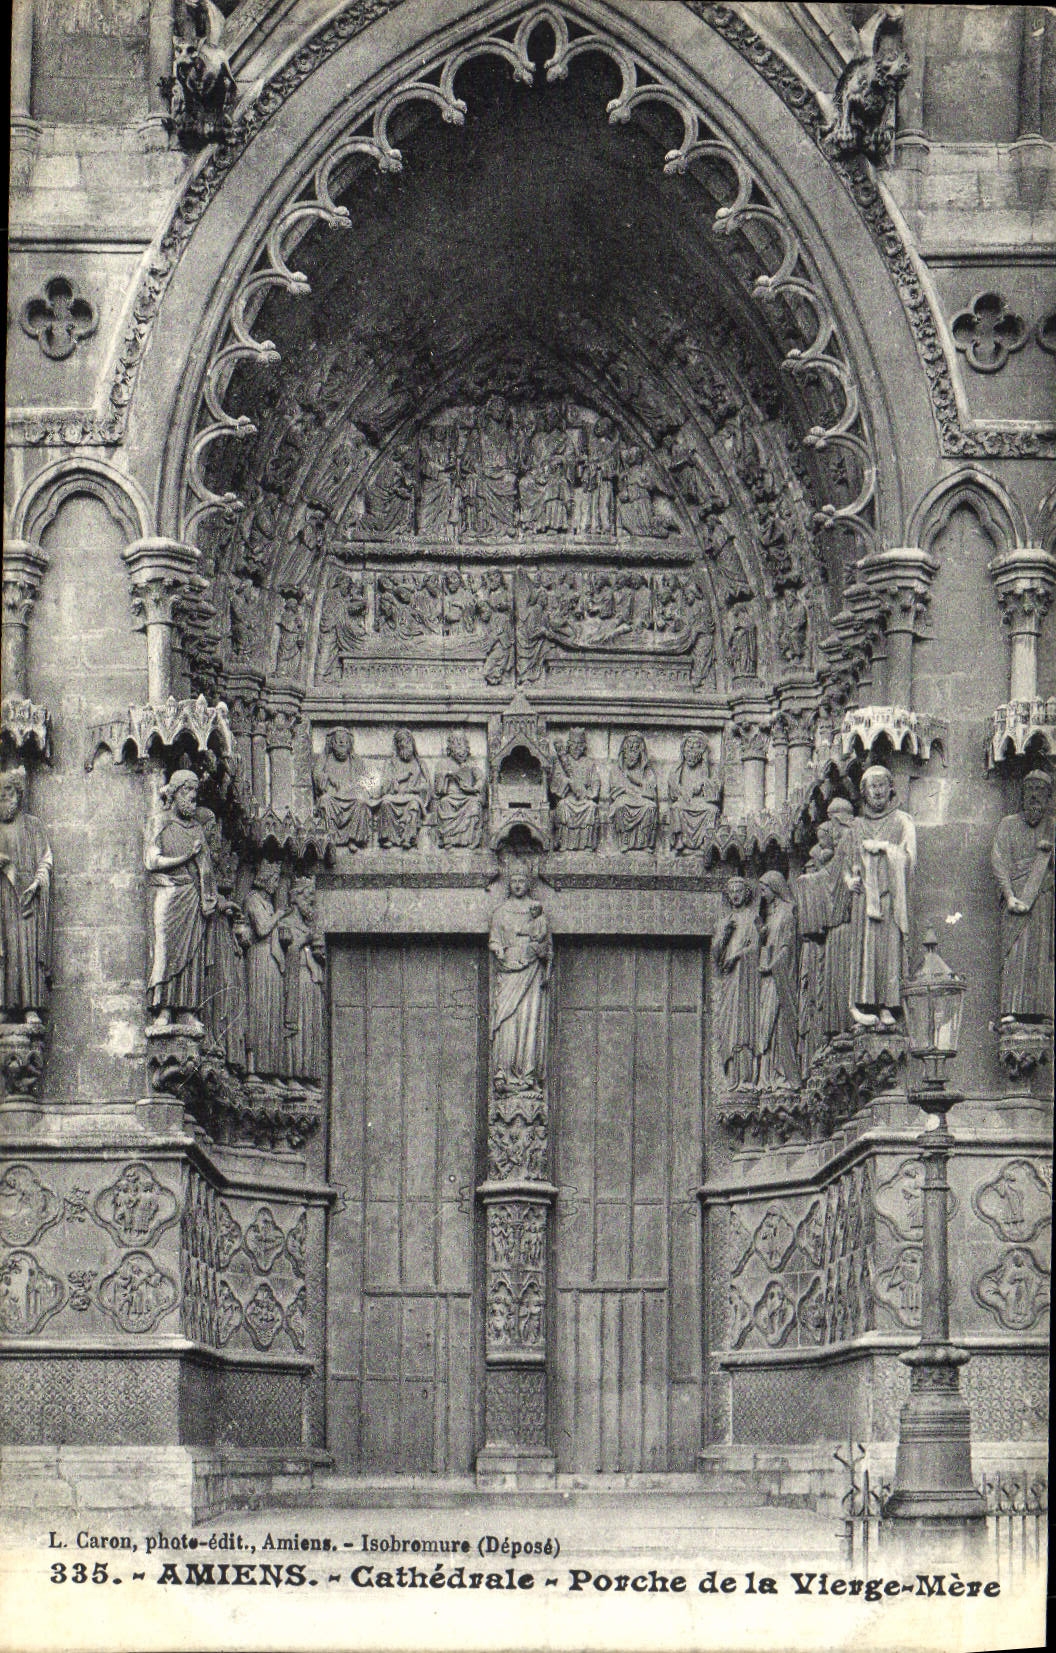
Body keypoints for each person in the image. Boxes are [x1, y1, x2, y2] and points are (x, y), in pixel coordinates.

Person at [144, 770, 216, 1033]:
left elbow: (205, 866)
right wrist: (186, 856)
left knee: (192, 954)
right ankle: (163, 1009)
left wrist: (209, 896)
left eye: (195, 794)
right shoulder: (160, 822)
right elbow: (152, 861)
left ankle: (186, 1009)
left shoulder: (196, 828)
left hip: (192, 898)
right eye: (187, 793)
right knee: (166, 950)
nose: (193, 799)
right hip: (168, 895)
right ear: (174, 793)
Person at [846, 765, 916, 1028]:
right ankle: (864, 1003)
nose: (877, 792)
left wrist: (886, 849)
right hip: (864, 901)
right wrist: (850, 880)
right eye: (871, 787)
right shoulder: (857, 825)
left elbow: (910, 859)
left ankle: (888, 1004)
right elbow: (845, 862)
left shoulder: (901, 821)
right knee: (864, 951)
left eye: (881, 786)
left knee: (888, 950)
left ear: (890, 789)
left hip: (889, 897)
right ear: (864, 793)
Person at [990, 770, 1054, 1024]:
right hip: (1016, 899)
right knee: (1015, 952)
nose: (1035, 796)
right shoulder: (1008, 824)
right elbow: (998, 860)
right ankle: (1011, 1008)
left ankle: (1044, 1010)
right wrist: (1009, 895)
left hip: (1044, 902)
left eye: (1040, 791)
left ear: (1049, 797)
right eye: (1030, 790)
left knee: (1042, 952)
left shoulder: (1053, 826)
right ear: (1022, 794)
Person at [489, 869, 552, 1090]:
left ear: (528, 883)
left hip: (531, 968)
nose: (517, 885)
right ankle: (503, 1071)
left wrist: (537, 951)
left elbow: (546, 944)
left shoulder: (537, 912)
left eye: (521, 881)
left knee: (529, 1018)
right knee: (507, 1019)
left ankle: (527, 1072)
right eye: (513, 881)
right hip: (508, 970)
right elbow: (494, 940)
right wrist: (498, 950)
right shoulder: (501, 912)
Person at [0, 768, 52, 1026]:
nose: (3, 800)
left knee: (27, 951)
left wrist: (36, 884)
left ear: (18, 795)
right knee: (5, 950)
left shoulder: (33, 826)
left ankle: (31, 1006)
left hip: (26, 899)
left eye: (7, 793)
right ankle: (4, 1006)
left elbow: (45, 860)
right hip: (2, 901)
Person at [239, 860, 287, 1076]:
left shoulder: (265, 903)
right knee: (259, 1012)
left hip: (271, 959)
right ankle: (253, 1069)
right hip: (259, 959)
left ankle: (270, 1070)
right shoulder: (253, 900)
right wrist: (278, 914)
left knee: (271, 1013)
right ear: (265, 879)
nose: (276, 885)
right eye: (274, 880)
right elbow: (262, 928)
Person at [755, 870, 799, 1088]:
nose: (762, 895)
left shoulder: (787, 913)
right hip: (769, 978)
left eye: (764, 890)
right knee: (765, 1024)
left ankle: (782, 1074)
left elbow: (787, 948)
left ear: (775, 888)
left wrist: (771, 967)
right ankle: (768, 1077)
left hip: (779, 977)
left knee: (778, 1022)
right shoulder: (772, 915)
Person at [714, 876, 758, 1088]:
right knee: (728, 1024)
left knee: (743, 1024)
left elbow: (758, 947)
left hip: (745, 978)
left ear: (746, 893)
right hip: (729, 979)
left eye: (739, 890)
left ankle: (745, 1078)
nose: (735, 894)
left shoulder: (753, 918)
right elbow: (715, 957)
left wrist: (737, 956)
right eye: (731, 891)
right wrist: (724, 934)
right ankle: (731, 1076)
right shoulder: (726, 921)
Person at [280, 876, 325, 1082]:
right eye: (308, 897)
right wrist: (303, 940)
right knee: (298, 1029)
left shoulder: (309, 928)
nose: (310, 904)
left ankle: (307, 1077)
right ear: (296, 898)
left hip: (311, 982)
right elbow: (287, 951)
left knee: (310, 1030)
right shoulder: (285, 923)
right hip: (296, 980)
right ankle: (293, 1076)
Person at [311, 727, 373, 849]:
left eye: (344, 741)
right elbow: (317, 775)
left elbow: (366, 781)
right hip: (333, 796)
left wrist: (354, 787)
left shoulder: (356, 761)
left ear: (350, 744)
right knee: (325, 800)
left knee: (361, 802)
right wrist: (329, 778)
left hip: (351, 795)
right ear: (331, 744)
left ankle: (353, 839)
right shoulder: (325, 759)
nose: (341, 743)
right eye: (338, 741)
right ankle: (331, 838)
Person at [375, 727, 431, 849]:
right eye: (400, 742)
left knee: (414, 805)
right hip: (394, 797)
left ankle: (408, 837)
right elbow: (384, 786)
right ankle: (388, 837)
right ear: (397, 745)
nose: (403, 745)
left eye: (406, 742)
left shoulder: (420, 763)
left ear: (412, 743)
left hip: (411, 797)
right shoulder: (390, 763)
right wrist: (398, 779)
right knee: (385, 803)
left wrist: (413, 789)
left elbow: (427, 786)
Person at [668, 732, 721, 853]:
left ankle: (706, 842)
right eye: (689, 747)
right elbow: (673, 790)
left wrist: (704, 783)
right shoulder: (678, 768)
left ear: (702, 752)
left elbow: (715, 791)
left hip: (701, 802)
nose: (692, 752)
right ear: (684, 750)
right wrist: (686, 792)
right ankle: (679, 842)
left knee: (712, 810)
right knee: (676, 807)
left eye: (697, 748)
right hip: (685, 801)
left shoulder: (709, 769)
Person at [550, 727, 600, 851]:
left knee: (591, 807)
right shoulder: (561, 761)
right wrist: (568, 782)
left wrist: (589, 793)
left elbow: (595, 781)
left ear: (584, 746)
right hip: (568, 797)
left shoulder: (589, 763)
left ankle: (586, 844)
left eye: (579, 745)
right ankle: (565, 844)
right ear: (568, 745)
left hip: (584, 798)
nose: (576, 748)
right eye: (573, 744)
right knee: (563, 806)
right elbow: (556, 780)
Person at [433, 731, 486, 849]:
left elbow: (480, 779)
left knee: (474, 804)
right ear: (451, 749)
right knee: (444, 803)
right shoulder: (443, 763)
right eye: (457, 746)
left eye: (463, 747)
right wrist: (446, 775)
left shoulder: (471, 764)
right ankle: (448, 839)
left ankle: (468, 840)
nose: (461, 752)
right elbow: (437, 788)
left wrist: (474, 788)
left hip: (467, 796)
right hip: (450, 796)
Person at [608, 732, 660, 852]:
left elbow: (651, 793)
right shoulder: (616, 771)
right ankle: (624, 839)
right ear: (623, 752)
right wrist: (629, 791)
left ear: (641, 754)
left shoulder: (648, 772)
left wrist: (636, 782)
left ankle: (644, 842)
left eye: (635, 750)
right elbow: (615, 792)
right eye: (628, 750)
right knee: (620, 805)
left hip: (641, 800)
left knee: (650, 807)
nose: (631, 754)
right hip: (624, 800)